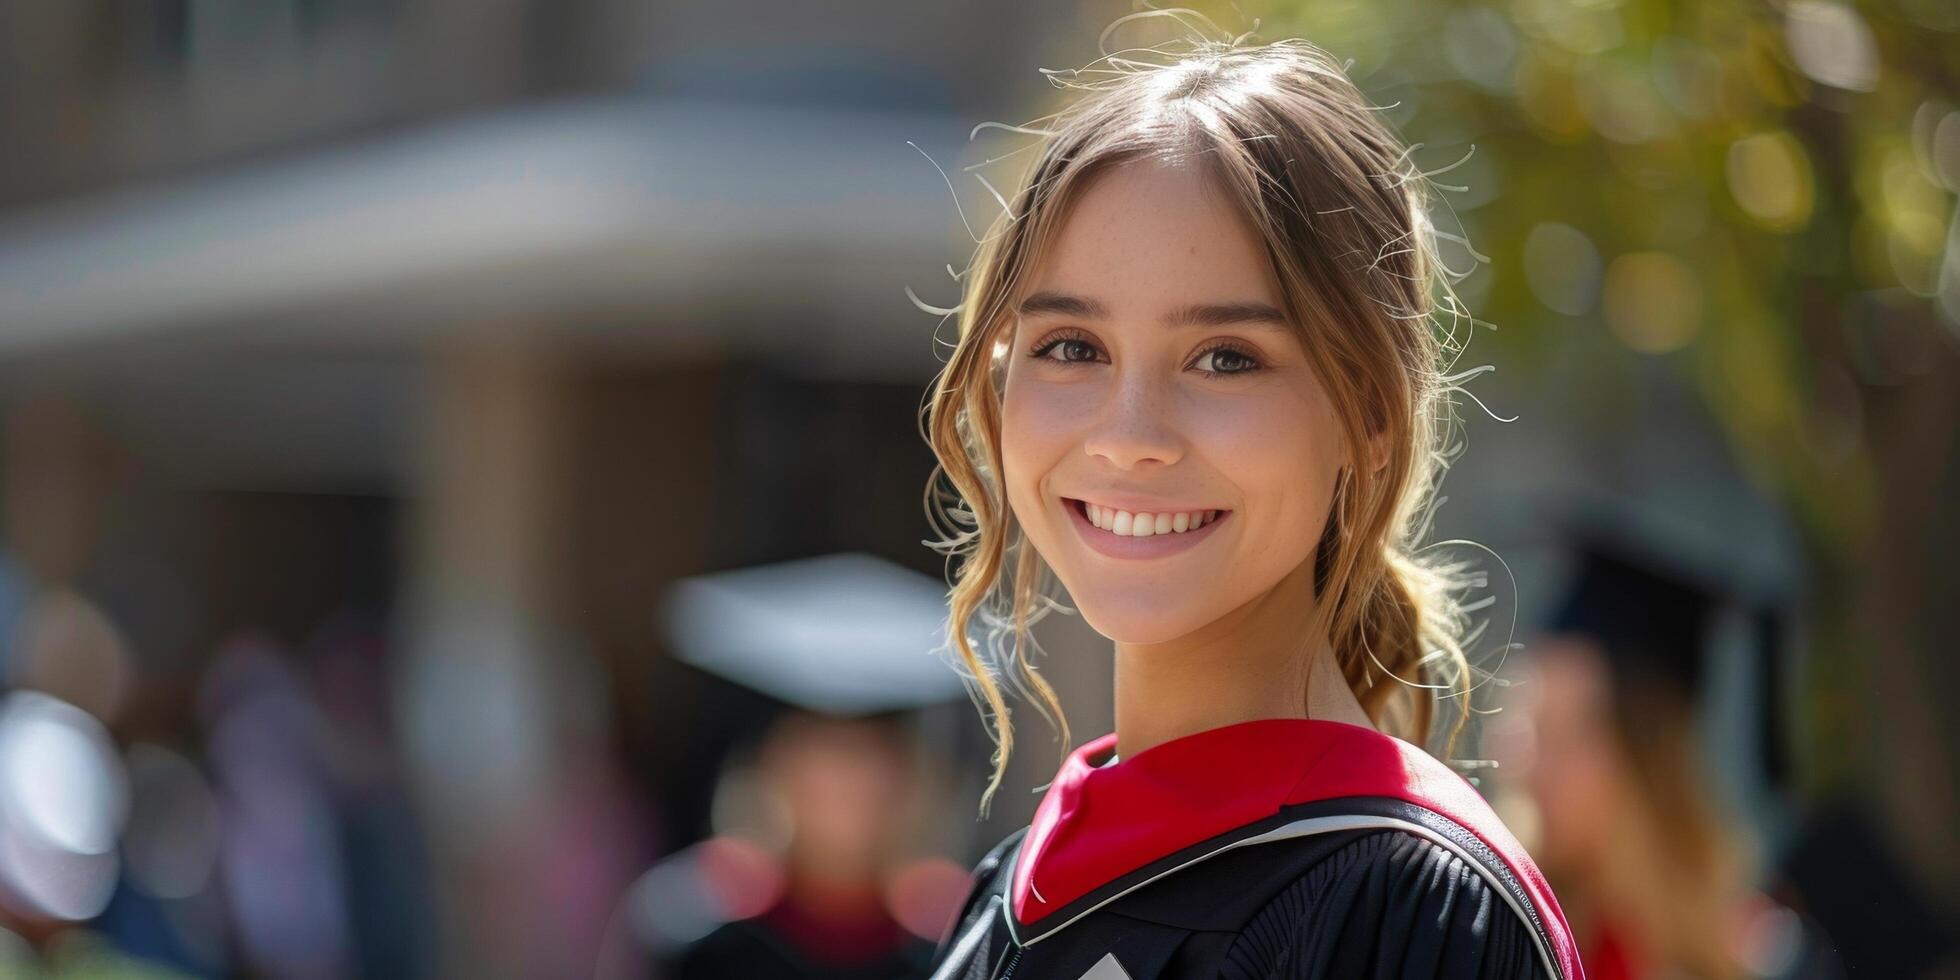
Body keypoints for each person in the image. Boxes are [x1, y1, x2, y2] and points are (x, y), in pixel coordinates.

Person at [917, 21, 1582, 980]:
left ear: (1369, 415)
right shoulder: (1004, 896)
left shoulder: (1411, 909)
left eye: (1225, 358)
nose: (1129, 434)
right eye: (1071, 345)